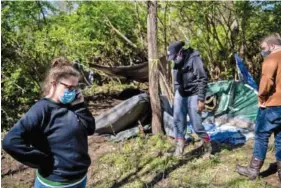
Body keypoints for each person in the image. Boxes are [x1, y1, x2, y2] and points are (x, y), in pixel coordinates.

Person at [2, 56, 96, 187]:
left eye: (75, 87)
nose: (72, 92)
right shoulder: (41, 110)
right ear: (54, 83)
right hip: (55, 183)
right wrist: (43, 161)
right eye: (69, 87)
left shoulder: (73, 105)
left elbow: (90, 129)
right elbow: (10, 142)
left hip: (80, 179)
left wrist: (80, 106)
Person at [236, 33, 281, 182]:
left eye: (264, 48)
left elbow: (266, 80)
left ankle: (253, 170)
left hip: (272, 105)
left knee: (261, 135)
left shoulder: (272, 58)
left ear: (272, 46)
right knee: (280, 138)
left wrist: (261, 98)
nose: (263, 51)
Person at [167, 41, 210, 156]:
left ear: (180, 52)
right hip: (181, 93)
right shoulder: (176, 61)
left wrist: (201, 99)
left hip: (194, 93)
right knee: (177, 121)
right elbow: (176, 80)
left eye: (174, 57)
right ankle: (179, 149)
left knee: (196, 124)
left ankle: (207, 145)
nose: (173, 60)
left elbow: (202, 78)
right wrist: (176, 94)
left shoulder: (194, 58)